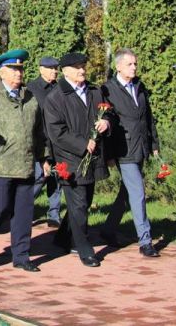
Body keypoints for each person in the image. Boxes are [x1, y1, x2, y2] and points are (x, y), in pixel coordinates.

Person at [0, 49, 47, 272]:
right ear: (2, 72)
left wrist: (44, 157)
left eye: (21, 69)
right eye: (14, 70)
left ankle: (22, 255)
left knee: (24, 213)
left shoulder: (30, 98)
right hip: (2, 165)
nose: (19, 73)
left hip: (25, 165)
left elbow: (39, 133)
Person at [42, 52, 111, 267]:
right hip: (70, 160)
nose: (82, 70)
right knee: (79, 205)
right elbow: (56, 132)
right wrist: (82, 144)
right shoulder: (55, 98)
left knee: (84, 201)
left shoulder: (95, 91)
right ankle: (84, 248)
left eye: (83, 65)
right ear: (65, 71)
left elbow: (108, 112)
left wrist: (106, 123)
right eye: (76, 67)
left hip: (92, 157)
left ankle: (62, 237)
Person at [100, 48, 160, 257]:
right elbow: (105, 121)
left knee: (127, 192)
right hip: (123, 149)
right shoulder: (107, 89)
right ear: (118, 66)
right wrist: (107, 153)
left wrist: (154, 143)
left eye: (135, 64)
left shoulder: (140, 87)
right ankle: (146, 241)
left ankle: (108, 229)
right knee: (138, 192)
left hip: (141, 145)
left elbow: (147, 117)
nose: (134, 67)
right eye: (129, 64)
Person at [29, 56, 63, 227]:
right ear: (41, 69)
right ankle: (23, 209)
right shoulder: (31, 88)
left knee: (57, 178)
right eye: (51, 68)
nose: (54, 71)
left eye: (56, 68)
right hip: (40, 141)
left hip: (58, 141)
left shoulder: (60, 88)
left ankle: (54, 214)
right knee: (40, 176)